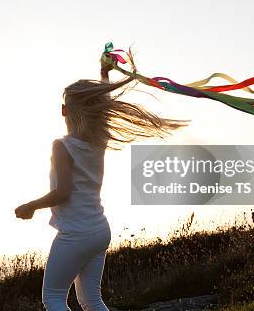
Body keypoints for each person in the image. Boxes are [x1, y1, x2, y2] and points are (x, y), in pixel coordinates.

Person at [14, 60, 186, 311]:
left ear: (64, 111)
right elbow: (103, 109)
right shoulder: (99, 140)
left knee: (53, 298)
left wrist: (31, 206)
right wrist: (105, 75)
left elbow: (63, 193)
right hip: (98, 231)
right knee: (92, 301)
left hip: (75, 234)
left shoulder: (62, 146)